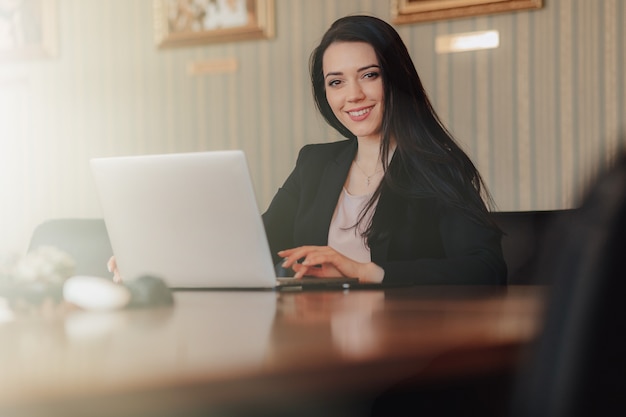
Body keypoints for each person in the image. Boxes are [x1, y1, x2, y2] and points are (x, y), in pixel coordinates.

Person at [261, 15, 506, 285]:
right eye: (336, 82)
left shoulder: (438, 165)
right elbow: (257, 244)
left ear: (397, 78)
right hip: (319, 324)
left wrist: (365, 272)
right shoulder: (314, 163)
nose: (353, 95)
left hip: (402, 325)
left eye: (369, 75)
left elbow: (487, 268)